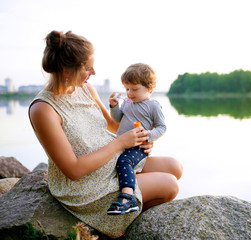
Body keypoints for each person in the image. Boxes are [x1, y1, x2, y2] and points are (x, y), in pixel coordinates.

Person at [28, 30, 182, 238]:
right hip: (86, 186)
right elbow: (73, 170)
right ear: (65, 69)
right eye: (87, 67)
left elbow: (113, 125)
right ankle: (117, 224)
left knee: (175, 167)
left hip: (111, 161)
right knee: (170, 185)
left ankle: (127, 207)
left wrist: (141, 137)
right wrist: (120, 144)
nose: (94, 71)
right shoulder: (43, 110)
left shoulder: (85, 88)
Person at [107, 63, 166, 215]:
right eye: (127, 89)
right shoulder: (127, 103)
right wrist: (114, 106)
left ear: (149, 88)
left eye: (134, 89)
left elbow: (162, 127)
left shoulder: (153, 106)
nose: (129, 93)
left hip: (138, 147)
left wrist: (148, 136)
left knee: (124, 161)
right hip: (122, 142)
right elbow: (118, 119)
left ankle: (127, 197)